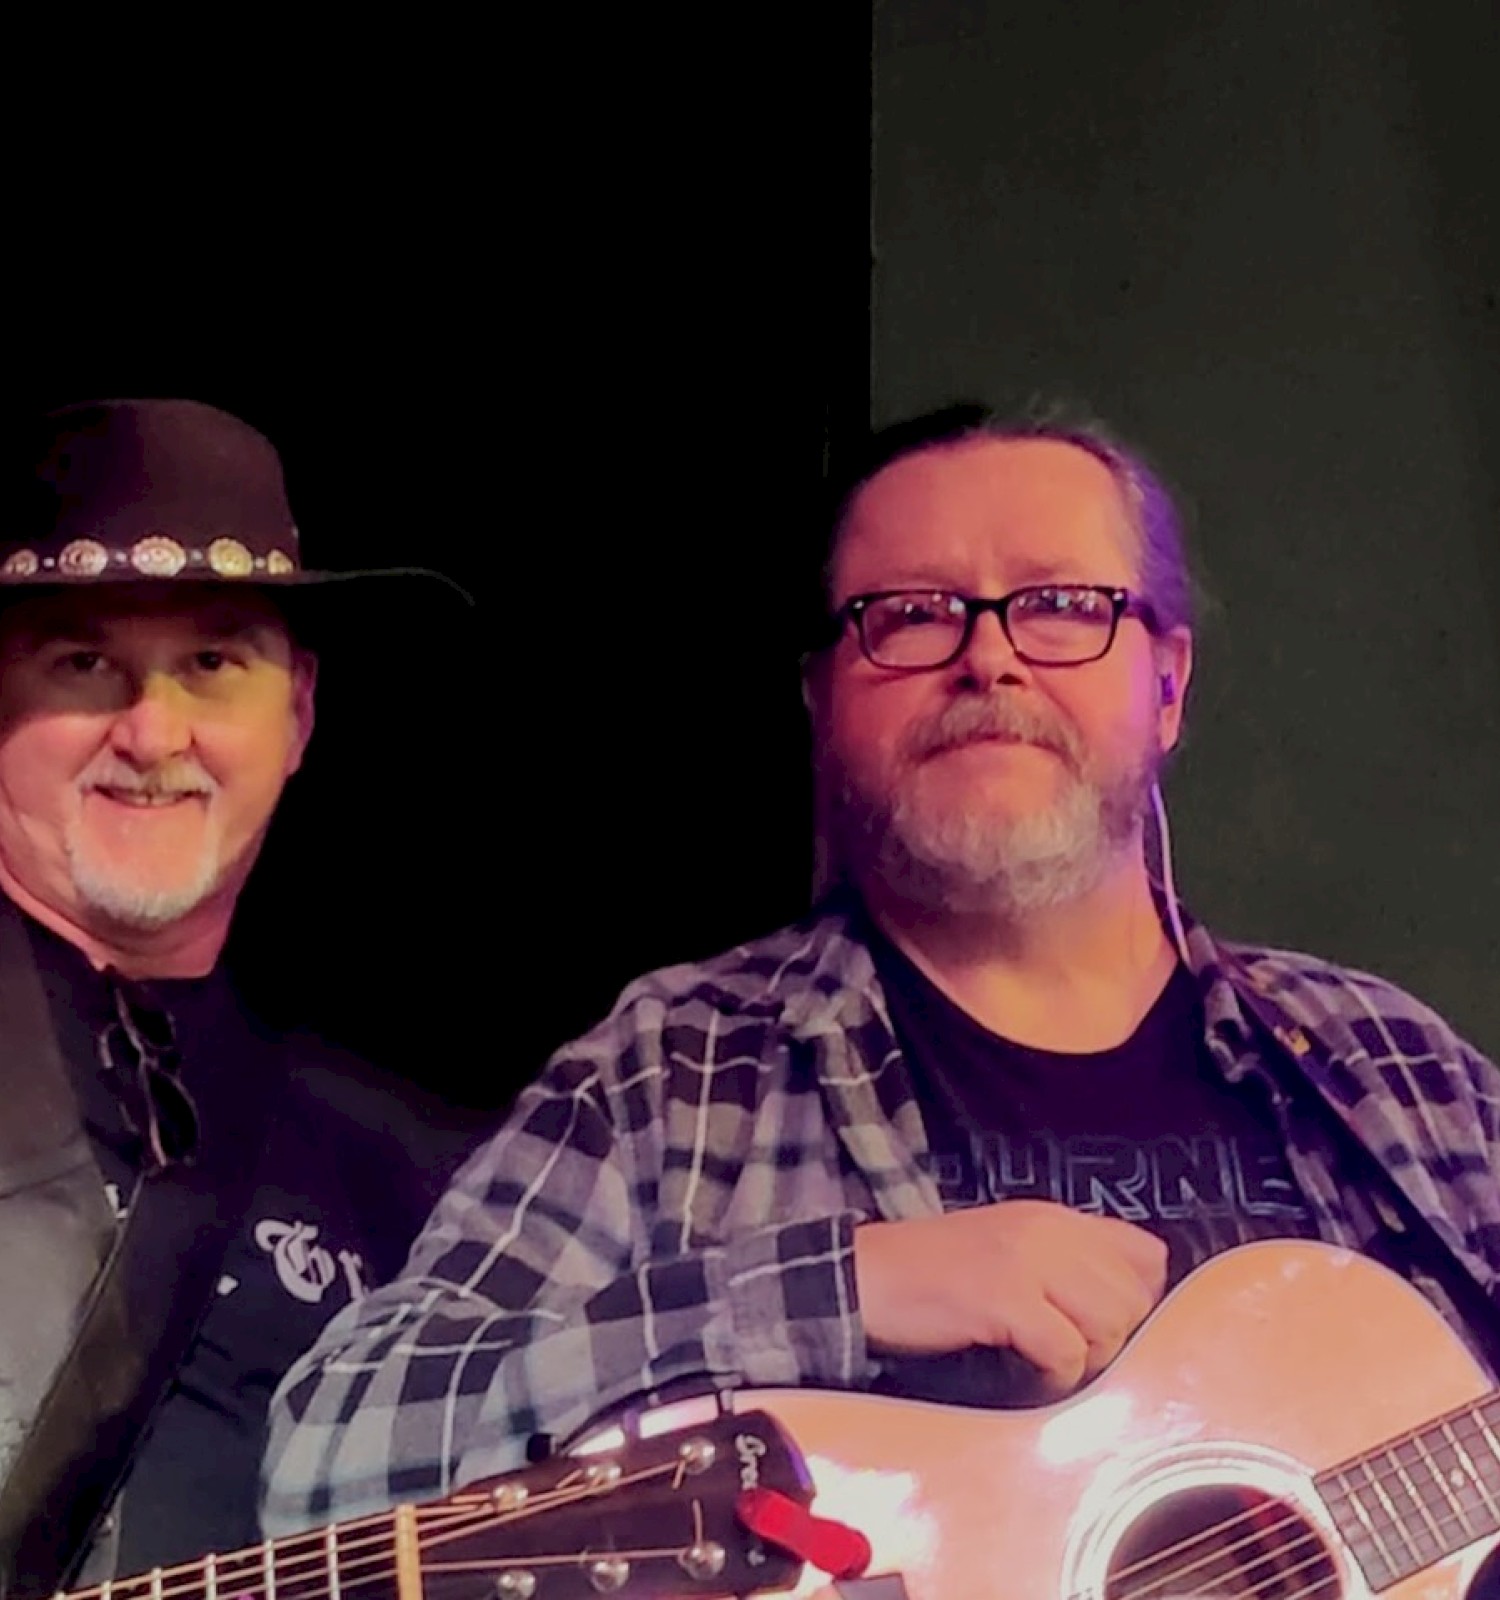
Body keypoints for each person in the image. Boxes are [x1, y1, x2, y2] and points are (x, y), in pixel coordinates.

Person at [259, 404, 1500, 1538]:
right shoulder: (678, 1073)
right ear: (821, 698)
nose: (990, 658)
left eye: (1063, 603)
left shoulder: (1392, 1069)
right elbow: (335, 1450)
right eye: (910, 614)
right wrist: (839, 1285)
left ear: (1167, 682)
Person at [0, 399, 484, 1590]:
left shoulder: (418, 1173)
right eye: (83, 662)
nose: (153, 731)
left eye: (213, 663)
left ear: (299, 715)